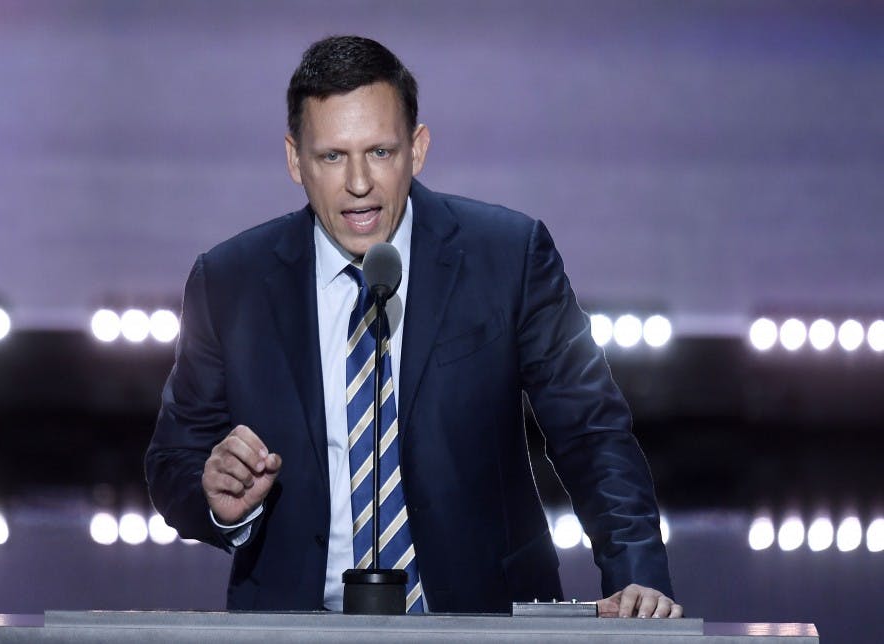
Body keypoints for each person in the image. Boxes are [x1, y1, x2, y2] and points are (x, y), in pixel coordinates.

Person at [146, 35, 681, 618]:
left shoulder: (507, 257)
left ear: (417, 150)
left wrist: (637, 580)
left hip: (485, 623)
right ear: (294, 159)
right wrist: (216, 496)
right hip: (296, 627)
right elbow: (174, 460)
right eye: (331, 156)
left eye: (380, 152)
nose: (358, 184)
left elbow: (591, 432)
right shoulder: (230, 282)